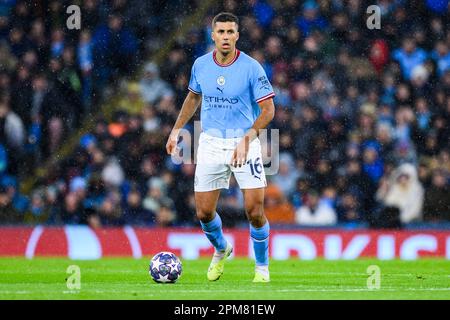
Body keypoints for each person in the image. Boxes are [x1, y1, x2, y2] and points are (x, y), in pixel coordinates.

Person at [166, 12, 275, 283]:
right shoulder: (201, 65)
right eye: (221, 32)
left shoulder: (251, 67)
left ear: (237, 35)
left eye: (230, 32)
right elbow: (193, 98)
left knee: (254, 210)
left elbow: (268, 110)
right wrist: (176, 130)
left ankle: (261, 268)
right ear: (212, 35)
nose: (225, 37)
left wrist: (247, 140)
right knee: (203, 212)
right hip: (211, 142)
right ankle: (221, 248)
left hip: (244, 142)